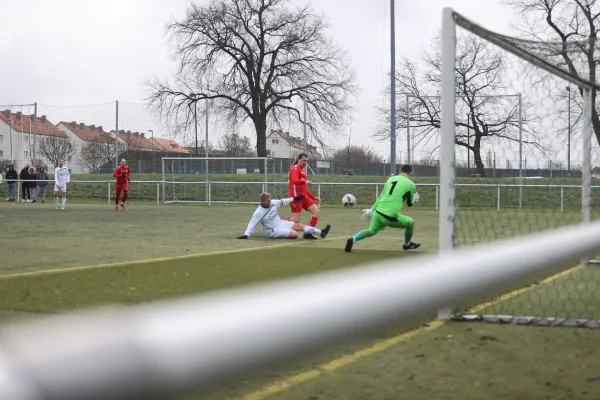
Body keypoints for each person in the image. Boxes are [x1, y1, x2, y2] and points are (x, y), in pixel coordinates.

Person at [345, 165, 421, 253]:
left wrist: (372, 209)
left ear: (400, 170)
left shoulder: (390, 179)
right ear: (411, 173)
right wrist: (414, 199)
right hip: (389, 216)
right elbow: (409, 204)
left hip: (378, 212)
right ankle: (407, 244)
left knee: (371, 231)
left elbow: (382, 196)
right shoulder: (411, 184)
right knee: (411, 223)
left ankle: (353, 239)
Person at [237, 192, 331, 240]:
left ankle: (321, 233)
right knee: (295, 234)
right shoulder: (258, 212)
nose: (270, 201)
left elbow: (283, 201)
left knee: (299, 226)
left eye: (270, 199)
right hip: (273, 231)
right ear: (262, 201)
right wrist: (246, 235)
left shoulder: (273, 203)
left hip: (281, 223)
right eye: (267, 200)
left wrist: (294, 198)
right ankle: (288, 232)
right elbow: (252, 224)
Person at [288, 153, 323, 239]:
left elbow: (304, 189)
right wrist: (305, 182)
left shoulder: (303, 171)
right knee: (296, 220)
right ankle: (278, 222)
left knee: (316, 211)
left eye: (306, 161)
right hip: (296, 197)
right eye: (303, 160)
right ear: (298, 159)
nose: (305, 162)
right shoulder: (295, 168)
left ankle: (308, 232)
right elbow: (295, 180)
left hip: (303, 196)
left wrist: (313, 197)